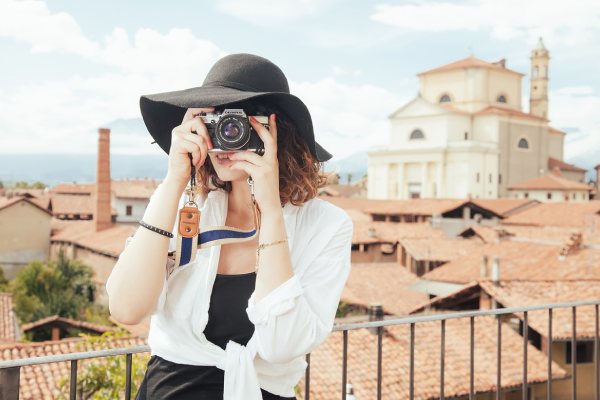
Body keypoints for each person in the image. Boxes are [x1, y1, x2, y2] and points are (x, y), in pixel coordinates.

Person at [106, 53, 353, 400]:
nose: (226, 134)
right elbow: (126, 309)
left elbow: (283, 345)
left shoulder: (327, 226)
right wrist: (175, 179)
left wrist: (269, 208)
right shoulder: (184, 206)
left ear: (277, 132)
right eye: (212, 120)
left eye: (238, 121)